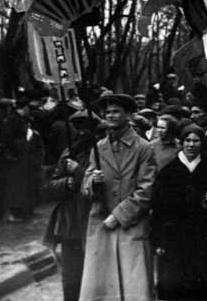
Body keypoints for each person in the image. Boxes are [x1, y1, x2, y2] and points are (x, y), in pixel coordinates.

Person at [79, 93, 157, 301]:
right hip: (101, 222)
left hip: (131, 224)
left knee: (134, 286)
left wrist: (119, 215)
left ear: (128, 115)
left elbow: (146, 189)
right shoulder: (98, 147)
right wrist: (92, 182)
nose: (111, 116)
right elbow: (85, 185)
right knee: (102, 287)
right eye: (107, 112)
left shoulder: (143, 147)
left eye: (116, 112)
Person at [151, 124, 207, 300]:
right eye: (187, 140)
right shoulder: (168, 171)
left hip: (201, 233)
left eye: (196, 141)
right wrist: (158, 237)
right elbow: (158, 207)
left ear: (202, 143)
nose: (191, 145)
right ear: (181, 143)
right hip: (174, 234)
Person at [43, 110, 97, 301]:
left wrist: (79, 172)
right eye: (78, 127)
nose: (82, 132)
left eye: (86, 127)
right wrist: (67, 183)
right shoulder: (68, 153)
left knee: (93, 278)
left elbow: (104, 184)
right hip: (70, 221)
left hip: (92, 219)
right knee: (71, 277)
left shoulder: (101, 153)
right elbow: (50, 186)